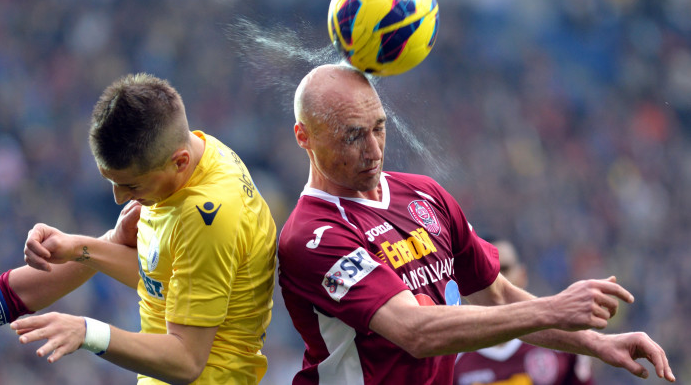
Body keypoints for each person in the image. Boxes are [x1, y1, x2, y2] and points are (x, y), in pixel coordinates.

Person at [276, 64, 675, 385]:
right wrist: (554, 308)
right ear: (304, 137)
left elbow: (496, 296)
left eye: (379, 127)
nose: (375, 150)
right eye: (353, 136)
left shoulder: (424, 195)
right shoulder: (312, 235)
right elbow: (416, 332)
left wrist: (598, 344)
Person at [6, 73, 277, 384]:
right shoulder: (190, 158)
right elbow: (165, 279)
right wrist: (80, 249)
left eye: (130, 185)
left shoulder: (207, 217)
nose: (119, 198)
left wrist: (87, 331)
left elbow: (187, 361)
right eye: (113, 182)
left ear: (179, 162)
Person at [453, 236, 594, 385]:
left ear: (523, 275)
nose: (494, 280)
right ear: (463, 284)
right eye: (482, 270)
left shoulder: (562, 342)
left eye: (504, 269)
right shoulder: (451, 358)